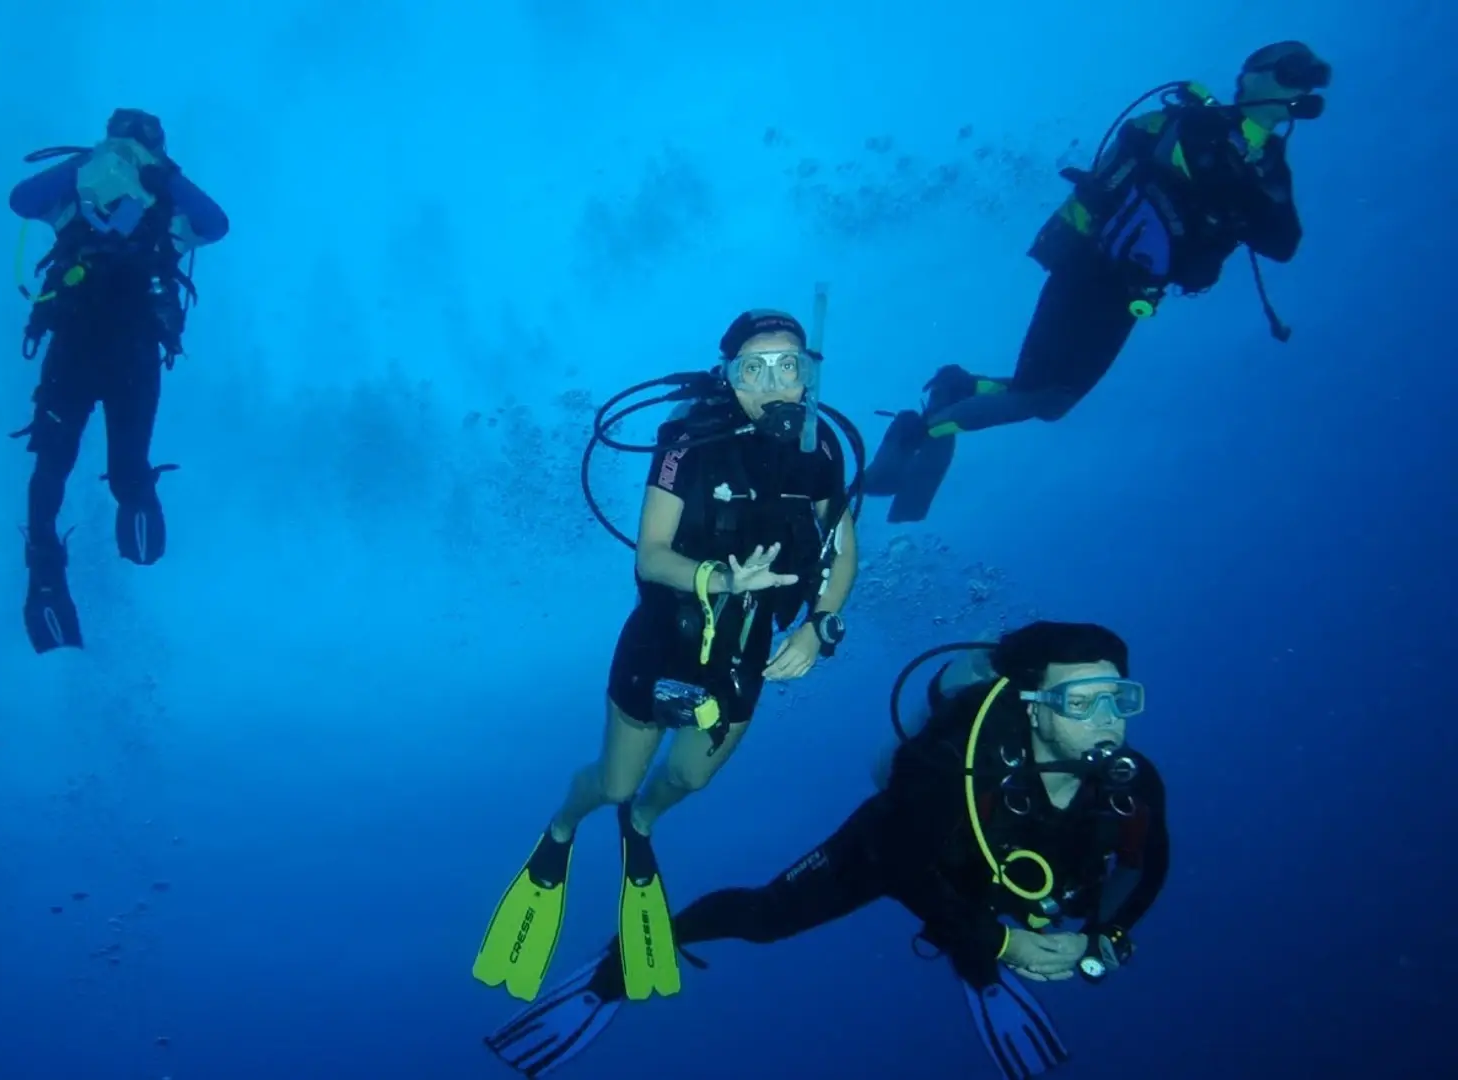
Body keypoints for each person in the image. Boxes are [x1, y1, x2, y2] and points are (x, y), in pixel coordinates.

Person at [485, 620, 1170, 1080]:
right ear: (1031, 704)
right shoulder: (945, 758)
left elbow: (1145, 865)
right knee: (764, 919)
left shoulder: (1129, 784)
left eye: (1120, 698)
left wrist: (1105, 937)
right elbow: (905, 868)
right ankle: (614, 969)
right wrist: (1001, 945)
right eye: (1083, 700)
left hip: (999, 882)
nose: (1108, 718)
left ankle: (979, 954)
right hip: (891, 848)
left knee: (1009, 905)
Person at [472, 308, 860, 1008]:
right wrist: (721, 579)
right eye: (755, 368)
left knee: (686, 779)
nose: (774, 382)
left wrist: (820, 626)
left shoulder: (821, 448)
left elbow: (842, 544)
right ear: (729, 376)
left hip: (745, 654)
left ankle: (642, 828)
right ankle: (564, 827)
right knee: (616, 784)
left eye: (790, 366)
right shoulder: (689, 442)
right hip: (663, 641)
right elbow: (652, 555)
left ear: (809, 375)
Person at [865, 41, 1332, 522]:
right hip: (1091, 269)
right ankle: (918, 432)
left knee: (1049, 399)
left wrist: (1256, 176)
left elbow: (1283, 243)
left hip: (1132, 291)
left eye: (1310, 76)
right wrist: (1246, 176)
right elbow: (1189, 173)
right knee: (1037, 397)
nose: (1301, 83)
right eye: (1291, 70)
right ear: (1251, 75)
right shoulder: (1200, 126)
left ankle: (957, 388)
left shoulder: (1268, 162)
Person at [5, 108, 230, 653]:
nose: (127, 150)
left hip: (127, 351)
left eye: (139, 141)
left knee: (119, 466)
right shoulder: (75, 195)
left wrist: (165, 179)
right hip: (82, 347)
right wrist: (87, 164)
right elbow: (21, 199)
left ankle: (126, 522)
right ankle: (46, 572)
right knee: (54, 461)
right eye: (119, 139)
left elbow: (217, 224)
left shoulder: (167, 204)